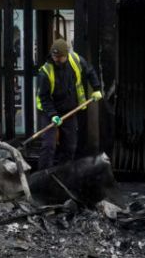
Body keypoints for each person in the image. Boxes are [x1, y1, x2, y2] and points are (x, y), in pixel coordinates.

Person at [35, 39, 102, 170]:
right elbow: (44, 98)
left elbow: (89, 71)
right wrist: (53, 115)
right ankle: (42, 177)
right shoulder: (45, 72)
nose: (57, 59)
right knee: (49, 146)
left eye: (60, 57)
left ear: (66, 55)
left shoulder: (75, 60)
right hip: (49, 111)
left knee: (70, 146)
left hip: (69, 109)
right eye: (55, 56)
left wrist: (97, 88)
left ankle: (63, 173)